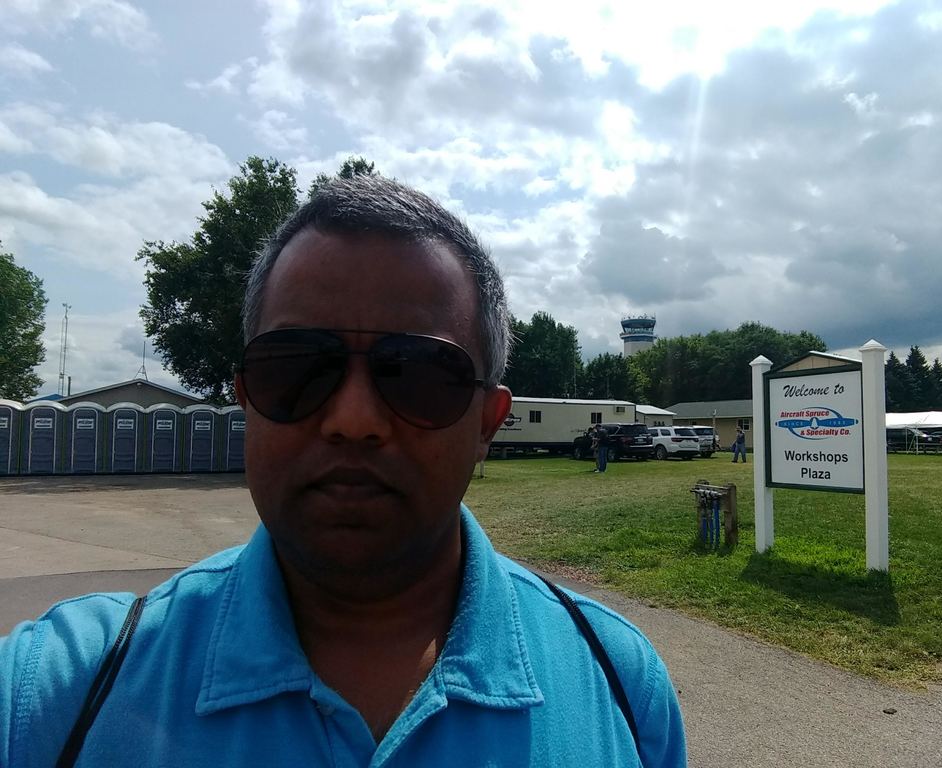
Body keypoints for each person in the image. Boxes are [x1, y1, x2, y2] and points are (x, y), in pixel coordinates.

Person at [0, 175, 686, 766]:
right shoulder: (57, 689)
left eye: (419, 374)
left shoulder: (622, 683)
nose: (353, 418)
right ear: (246, 399)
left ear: (487, 421)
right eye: (297, 368)